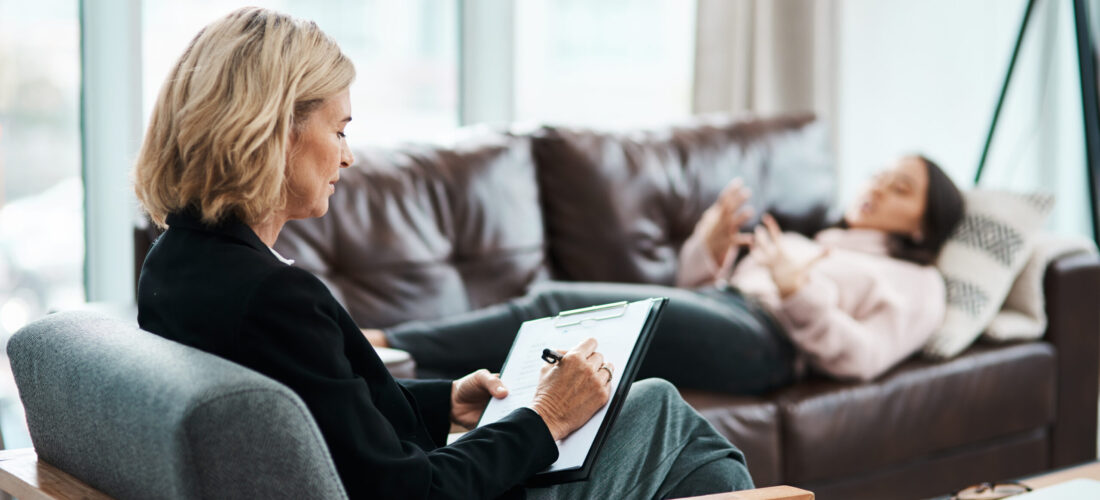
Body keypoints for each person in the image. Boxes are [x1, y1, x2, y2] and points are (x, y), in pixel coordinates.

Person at [133, 7, 752, 500]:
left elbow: (328, 420)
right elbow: (411, 490)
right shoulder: (274, 299)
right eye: (341, 129)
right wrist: (545, 419)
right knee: (659, 410)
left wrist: (445, 400)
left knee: (686, 457)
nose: (348, 157)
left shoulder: (175, 264)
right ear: (275, 129)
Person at [369, 154, 965, 394]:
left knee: (556, 305)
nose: (879, 186)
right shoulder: (819, 240)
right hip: (732, 313)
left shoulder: (919, 284)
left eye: (901, 188)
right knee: (556, 338)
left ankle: (388, 347)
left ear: (923, 224)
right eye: (883, 174)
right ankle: (397, 382)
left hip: (768, 343)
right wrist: (707, 249)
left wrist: (796, 289)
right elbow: (696, 296)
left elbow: (860, 359)